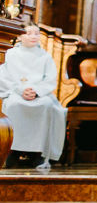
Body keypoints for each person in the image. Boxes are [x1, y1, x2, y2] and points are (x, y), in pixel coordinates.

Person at [0, 24, 66, 170]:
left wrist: (36, 91)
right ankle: (12, 151)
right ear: (20, 36)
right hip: (15, 92)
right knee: (13, 105)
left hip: (40, 94)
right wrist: (20, 90)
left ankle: (38, 153)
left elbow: (50, 79)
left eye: (36, 33)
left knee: (46, 105)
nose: (33, 36)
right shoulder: (10, 54)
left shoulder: (45, 56)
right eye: (29, 33)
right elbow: (4, 76)